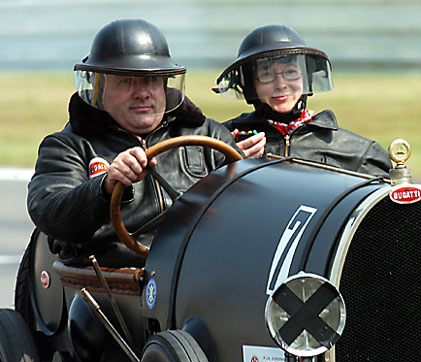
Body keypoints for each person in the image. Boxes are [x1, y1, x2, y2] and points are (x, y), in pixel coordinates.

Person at [26, 19, 241, 268]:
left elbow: (250, 208)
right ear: (100, 88)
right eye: (127, 81)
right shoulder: (69, 146)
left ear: (165, 84)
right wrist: (105, 187)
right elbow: (50, 213)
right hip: (111, 285)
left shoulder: (208, 135)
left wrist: (251, 170)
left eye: (151, 80)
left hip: (202, 272)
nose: (142, 93)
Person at [214, 24, 392, 176]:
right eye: (266, 75)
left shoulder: (358, 152)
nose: (281, 84)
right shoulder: (219, 143)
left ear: (307, 79)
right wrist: (226, 164)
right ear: (250, 86)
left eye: (291, 72)